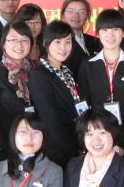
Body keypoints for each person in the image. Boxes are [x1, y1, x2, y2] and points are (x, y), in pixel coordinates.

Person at [78, 9, 124, 155]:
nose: (110, 35)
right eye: (105, 30)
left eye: (115, 29)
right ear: (97, 34)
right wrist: (93, 141)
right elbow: (84, 107)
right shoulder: (87, 65)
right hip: (96, 142)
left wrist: (123, 145)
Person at [29, 21, 85, 167]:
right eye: (58, 42)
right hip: (57, 150)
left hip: (76, 143)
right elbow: (50, 119)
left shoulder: (67, 72)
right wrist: (73, 150)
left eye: (68, 42)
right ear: (46, 44)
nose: (63, 47)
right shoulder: (39, 75)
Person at [0, 21, 35, 169]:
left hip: (32, 147)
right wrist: (11, 149)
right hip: (3, 152)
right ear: (4, 43)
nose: (19, 45)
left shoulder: (34, 72)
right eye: (13, 40)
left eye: (24, 40)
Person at [61, 0, 100, 76]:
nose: (76, 15)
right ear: (63, 15)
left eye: (82, 12)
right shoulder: (57, 42)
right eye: (71, 11)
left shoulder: (96, 41)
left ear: (87, 16)